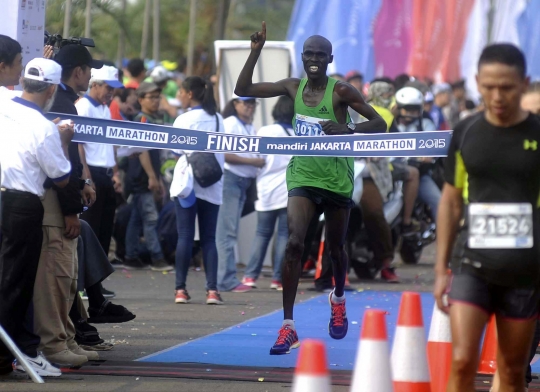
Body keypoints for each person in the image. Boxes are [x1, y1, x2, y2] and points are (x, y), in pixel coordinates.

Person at [235, 22, 386, 354]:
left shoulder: (342, 91)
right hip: (302, 176)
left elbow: (379, 122)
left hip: (336, 179)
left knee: (335, 250)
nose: (315, 59)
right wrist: (256, 51)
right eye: (310, 54)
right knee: (293, 243)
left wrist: (348, 130)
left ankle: (339, 298)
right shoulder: (292, 86)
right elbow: (242, 88)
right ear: (302, 57)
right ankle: (288, 327)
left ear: (329, 59)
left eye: (321, 55)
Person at [434, 43, 540, 392]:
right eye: (489, 86)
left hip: (525, 270)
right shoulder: (466, 133)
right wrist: (439, 271)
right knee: (463, 361)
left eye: (507, 87)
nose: (498, 95)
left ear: (524, 83)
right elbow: (450, 202)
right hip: (472, 264)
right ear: (477, 82)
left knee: (511, 371)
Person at [0, 58, 74, 377]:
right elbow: (60, 177)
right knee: (15, 283)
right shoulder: (44, 128)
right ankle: (12, 355)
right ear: (53, 89)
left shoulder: (3, 103)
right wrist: (65, 142)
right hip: (22, 205)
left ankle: (16, 352)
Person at [171, 76, 225, 305]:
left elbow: (175, 151)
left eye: (180, 92)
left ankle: (180, 290)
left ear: (190, 94)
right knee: (209, 238)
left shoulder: (183, 119)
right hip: (211, 182)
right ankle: (212, 291)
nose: (178, 96)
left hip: (187, 183)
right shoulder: (218, 119)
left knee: (184, 235)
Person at [241, 96, 295, 291]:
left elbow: (257, 159)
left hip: (266, 189)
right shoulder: (298, 134)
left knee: (262, 233)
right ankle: (277, 279)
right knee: (283, 235)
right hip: (288, 190)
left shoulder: (265, 131)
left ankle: (250, 276)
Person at [215, 95, 265, 293]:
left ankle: (225, 277)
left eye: (253, 103)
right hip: (232, 179)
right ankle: (225, 279)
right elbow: (223, 153)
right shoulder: (230, 123)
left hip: (242, 181)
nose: (250, 107)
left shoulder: (247, 126)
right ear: (235, 104)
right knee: (226, 232)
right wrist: (252, 162)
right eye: (246, 103)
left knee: (229, 231)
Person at [123, 82, 172, 271]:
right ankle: (157, 258)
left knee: (137, 218)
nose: (156, 101)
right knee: (151, 218)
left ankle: (131, 255)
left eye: (157, 97)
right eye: (151, 97)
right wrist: (153, 177)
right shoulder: (141, 120)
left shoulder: (151, 119)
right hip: (141, 178)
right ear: (140, 99)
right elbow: (142, 151)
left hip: (146, 177)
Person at [77, 66, 123, 261]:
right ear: (94, 85)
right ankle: (84, 283)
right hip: (92, 173)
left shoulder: (104, 109)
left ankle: (97, 282)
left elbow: (108, 143)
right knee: (90, 229)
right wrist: (87, 177)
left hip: (105, 175)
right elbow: (79, 145)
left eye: (113, 89)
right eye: (107, 87)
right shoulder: (83, 107)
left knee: (104, 231)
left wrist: (115, 172)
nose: (110, 92)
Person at [393, 87, 441, 222]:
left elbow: (432, 147)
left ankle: (443, 240)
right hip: (391, 173)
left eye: (415, 109)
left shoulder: (426, 124)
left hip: (419, 174)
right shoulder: (390, 124)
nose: (411, 113)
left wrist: (426, 156)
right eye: (407, 109)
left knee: (439, 201)